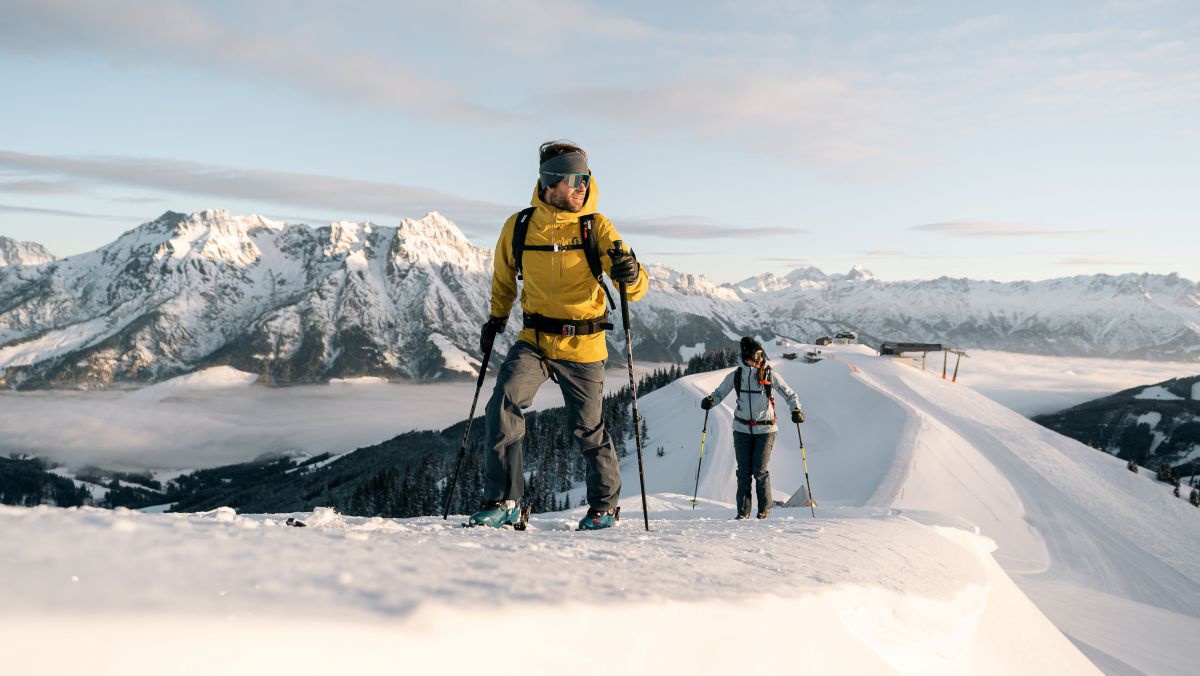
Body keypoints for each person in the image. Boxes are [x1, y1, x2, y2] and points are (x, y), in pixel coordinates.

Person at [469, 140, 649, 531]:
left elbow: (632, 285)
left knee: (587, 427)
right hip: (534, 338)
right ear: (551, 182)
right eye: (573, 179)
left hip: (584, 344)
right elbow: (504, 278)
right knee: (502, 406)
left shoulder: (595, 226)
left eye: (585, 177)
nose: (582, 186)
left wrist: (631, 275)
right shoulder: (519, 226)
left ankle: (604, 506)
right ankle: (506, 501)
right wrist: (496, 318)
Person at [701, 337, 803, 519]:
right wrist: (710, 400)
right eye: (755, 358)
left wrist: (796, 410)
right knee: (743, 472)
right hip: (741, 429)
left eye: (760, 357)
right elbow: (719, 393)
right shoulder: (736, 376)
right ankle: (743, 512)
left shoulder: (770, 375)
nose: (759, 361)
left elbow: (790, 395)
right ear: (745, 357)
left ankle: (764, 510)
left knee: (760, 470)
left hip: (766, 430)